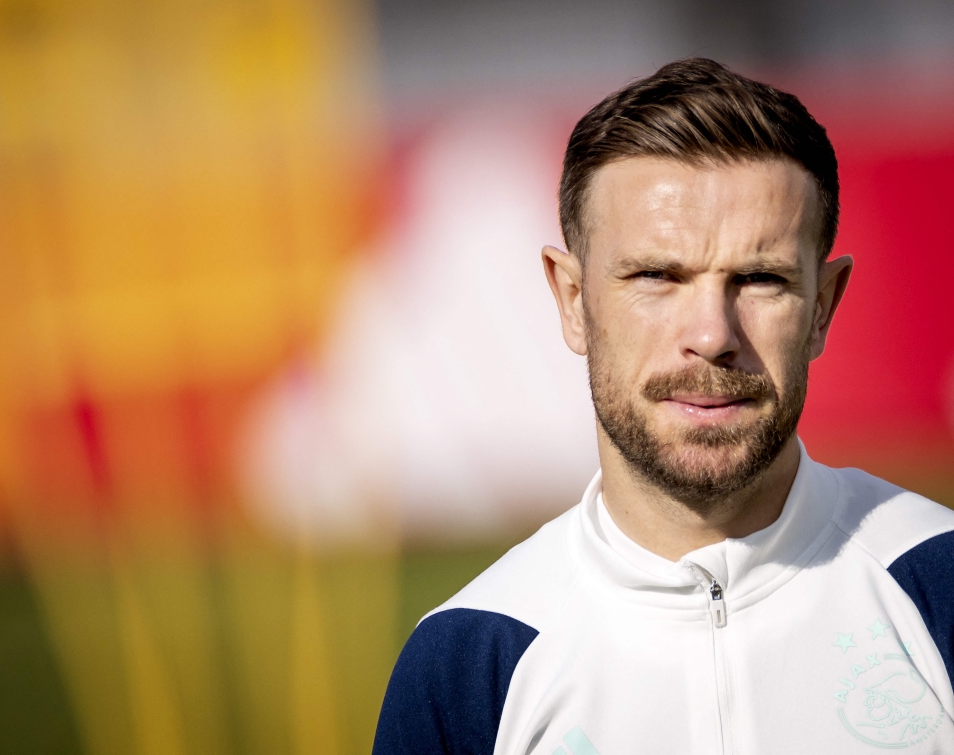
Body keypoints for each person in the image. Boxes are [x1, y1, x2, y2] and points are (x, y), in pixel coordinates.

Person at [371, 58, 954, 754]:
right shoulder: (469, 662)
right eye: (656, 275)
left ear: (823, 306)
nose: (711, 335)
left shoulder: (936, 584)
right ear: (572, 300)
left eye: (761, 278)